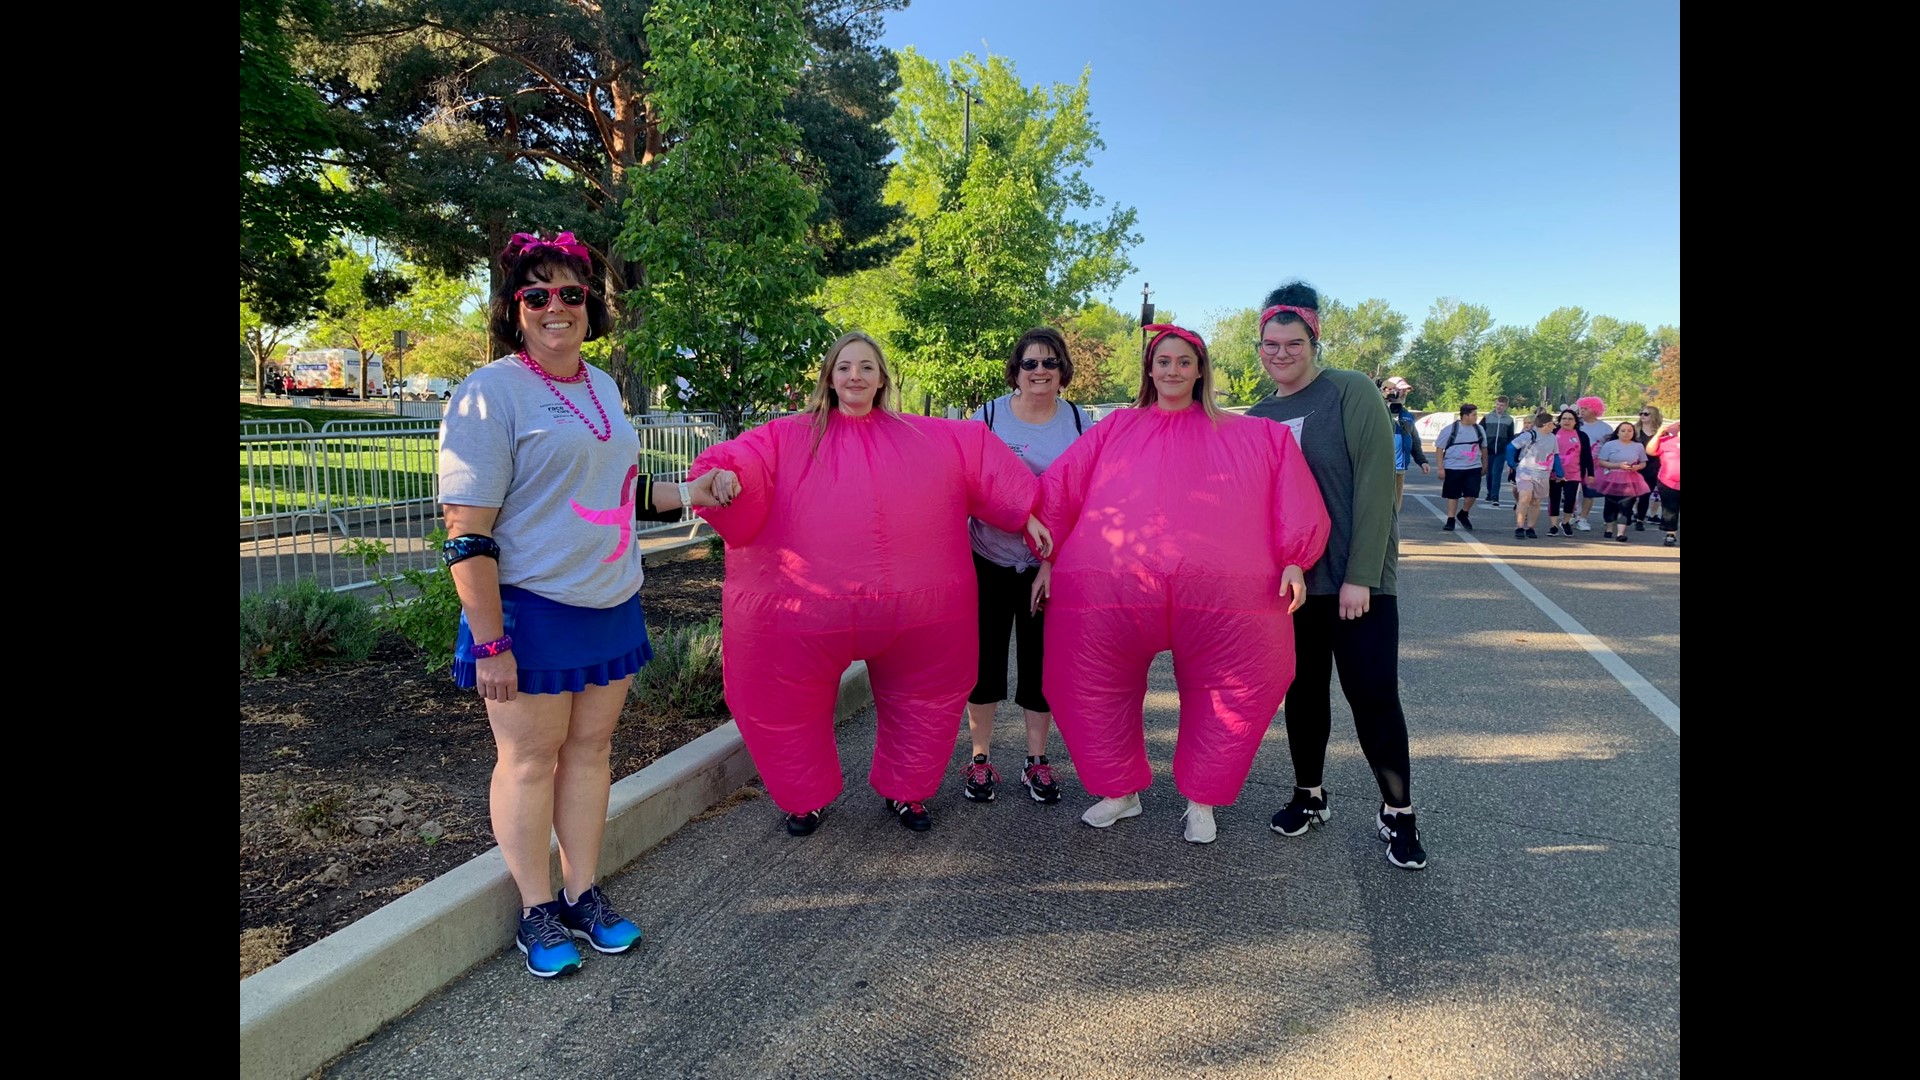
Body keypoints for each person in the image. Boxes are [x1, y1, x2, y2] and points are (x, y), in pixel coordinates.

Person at [438, 230, 742, 980]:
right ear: (515, 309)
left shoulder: (602, 386)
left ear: (590, 306)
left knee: (591, 753)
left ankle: (582, 893)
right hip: (530, 610)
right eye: (536, 294)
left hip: (611, 600)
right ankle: (537, 910)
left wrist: (689, 494)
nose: (556, 307)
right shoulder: (490, 394)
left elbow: (620, 491)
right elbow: (465, 531)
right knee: (530, 759)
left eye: (571, 294)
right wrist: (490, 642)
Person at [686, 332, 1050, 838]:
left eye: (866, 367)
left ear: (882, 379)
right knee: (780, 700)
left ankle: (908, 790)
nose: (854, 376)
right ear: (829, 377)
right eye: (844, 367)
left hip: (921, 609)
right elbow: (741, 460)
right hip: (800, 609)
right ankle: (802, 799)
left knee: (927, 695)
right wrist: (723, 476)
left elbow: (983, 460)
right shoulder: (783, 437)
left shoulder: (931, 436)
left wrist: (1026, 513)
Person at [1038, 323, 1328, 844]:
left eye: (1183, 362)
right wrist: (1047, 558)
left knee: (1233, 686)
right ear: (1150, 369)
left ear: (1200, 371)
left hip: (1224, 593)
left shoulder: (1256, 435)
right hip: (1111, 589)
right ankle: (1118, 791)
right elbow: (1060, 491)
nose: (1173, 370)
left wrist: (1294, 558)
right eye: (1164, 361)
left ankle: (1203, 799)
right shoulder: (1114, 430)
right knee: (1085, 683)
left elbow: (1292, 491)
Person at [1247, 280, 1428, 871]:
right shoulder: (1259, 416)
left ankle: (1397, 812)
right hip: (1294, 587)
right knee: (1302, 695)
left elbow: (1378, 487)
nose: (1280, 353)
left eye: (1292, 342)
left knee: (1373, 695)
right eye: (1269, 343)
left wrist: (1361, 575)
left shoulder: (1349, 392)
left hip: (1358, 581)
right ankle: (1309, 794)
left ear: (1313, 339)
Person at [961, 328, 1087, 805]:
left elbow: (1084, 501)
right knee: (986, 665)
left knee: (1039, 668)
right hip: (988, 560)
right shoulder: (989, 417)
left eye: (1050, 363)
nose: (1041, 371)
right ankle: (979, 759)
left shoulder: (1077, 422)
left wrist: (1053, 563)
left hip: (1048, 569)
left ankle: (1036, 762)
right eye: (1031, 363)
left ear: (1063, 371)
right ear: (1016, 370)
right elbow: (969, 486)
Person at [1592, 421, 1651, 541]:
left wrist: (1637, 467)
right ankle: (1609, 528)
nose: (1626, 433)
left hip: (1630, 479)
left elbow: (1643, 462)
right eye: (1623, 431)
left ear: (1634, 433)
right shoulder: (1610, 445)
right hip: (1611, 478)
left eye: (1629, 431)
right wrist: (1618, 465)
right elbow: (1601, 461)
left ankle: (1620, 533)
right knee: (1610, 505)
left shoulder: (1638, 446)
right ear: (1618, 433)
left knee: (1626, 506)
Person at [1434, 403, 1485, 531]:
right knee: (1453, 494)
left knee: (1472, 493)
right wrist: (1441, 468)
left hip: (1474, 466)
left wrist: (1485, 465)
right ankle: (1450, 519)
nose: (1476, 417)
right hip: (1453, 466)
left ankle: (1464, 513)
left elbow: (1484, 448)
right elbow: (1440, 449)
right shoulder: (1450, 430)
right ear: (1465, 416)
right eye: (1474, 415)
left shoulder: (1479, 429)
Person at [1382, 377, 1430, 512]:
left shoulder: (1406, 415)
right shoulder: (1378, 410)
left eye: (1405, 391)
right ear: (1389, 390)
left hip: (1400, 469)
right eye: (1401, 390)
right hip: (1382, 469)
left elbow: (1414, 439)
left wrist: (1422, 461)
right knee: (1381, 509)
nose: (1404, 394)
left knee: (1395, 510)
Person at [1545, 408, 1594, 537]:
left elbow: (1587, 456)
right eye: (1564, 418)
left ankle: (1565, 522)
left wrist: (1591, 473)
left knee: (1570, 499)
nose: (1567, 421)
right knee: (1554, 498)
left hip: (1574, 473)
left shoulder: (1581, 436)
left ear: (1575, 421)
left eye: (1570, 419)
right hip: (1554, 473)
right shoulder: (1553, 433)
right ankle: (1554, 525)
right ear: (1559, 421)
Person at [1509, 411, 1557, 538]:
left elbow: (1555, 455)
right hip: (1525, 471)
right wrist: (1511, 463)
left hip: (1543, 474)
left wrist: (1559, 471)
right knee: (1524, 497)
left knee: (1535, 501)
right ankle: (1519, 526)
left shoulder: (1552, 438)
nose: (1554, 426)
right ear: (1546, 424)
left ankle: (1530, 527)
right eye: (1553, 423)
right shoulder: (1530, 435)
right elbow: (1511, 447)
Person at [1573, 395, 1613, 531]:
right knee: (1572, 492)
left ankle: (1583, 518)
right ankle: (1573, 514)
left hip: (1595, 465)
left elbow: (1609, 447)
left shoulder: (1605, 428)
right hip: (1574, 463)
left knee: (1589, 493)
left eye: (1585, 408)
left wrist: (1607, 465)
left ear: (1595, 410)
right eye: (1581, 408)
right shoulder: (1575, 424)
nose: (1581, 411)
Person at [1646, 419, 1681, 545]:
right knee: (1670, 508)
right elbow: (1650, 451)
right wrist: (1658, 434)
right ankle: (1670, 533)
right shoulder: (1666, 441)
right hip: (1668, 480)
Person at [1632, 406, 1665, 530]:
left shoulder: (1660, 433)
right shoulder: (1634, 430)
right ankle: (1627, 515)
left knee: (1645, 494)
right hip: (1636, 465)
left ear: (1653, 416)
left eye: (1646, 414)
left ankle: (1640, 519)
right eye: (1641, 413)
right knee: (1631, 494)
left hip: (1653, 466)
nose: (1642, 416)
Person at [1481, 396, 1518, 508]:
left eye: (1501, 405)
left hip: (1501, 451)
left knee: (1496, 473)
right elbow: (1480, 432)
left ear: (1506, 406)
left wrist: (1509, 451)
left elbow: (1510, 437)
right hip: (1489, 449)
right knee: (1489, 473)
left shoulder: (1509, 420)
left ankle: (1495, 496)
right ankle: (1489, 492)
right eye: (1497, 404)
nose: (1499, 407)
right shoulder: (1487, 418)